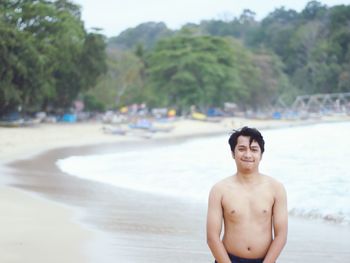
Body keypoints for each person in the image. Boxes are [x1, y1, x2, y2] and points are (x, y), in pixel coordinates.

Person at [206, 127, 288, 263]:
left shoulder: (276, 188)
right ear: (233, 153)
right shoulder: (219, 190)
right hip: (227, 259)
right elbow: (212, 237)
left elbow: (281, 235)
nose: (248, 155)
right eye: (242, 149)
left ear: (261, 155)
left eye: (254, 149)